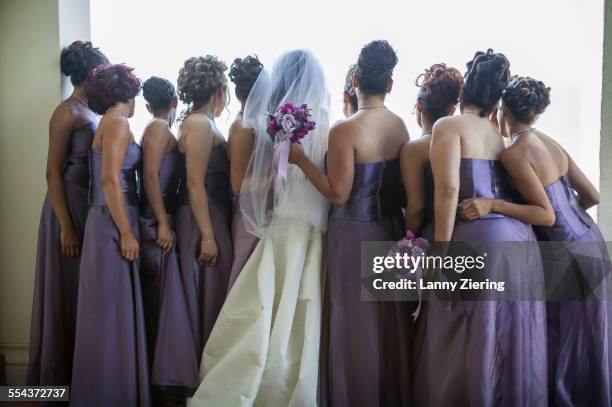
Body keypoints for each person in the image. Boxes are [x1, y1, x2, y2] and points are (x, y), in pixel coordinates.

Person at [188, 49, 330, 407]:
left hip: (297, 224)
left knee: (272, 306)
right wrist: (280, 170)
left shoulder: (292, 123)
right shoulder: (312, 124)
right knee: (282, 306)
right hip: (304, 223)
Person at [459, 76, 612, 406]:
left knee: (564, 342)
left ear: (503, 111)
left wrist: (493, 204)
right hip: (590, 240)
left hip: (567, 256)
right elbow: (591, 195)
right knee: (591, 341)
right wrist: (569, 226)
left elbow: (546, 216)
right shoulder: (550, 142)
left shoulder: (514, 154)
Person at [413, 50, 548, 407]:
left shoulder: (447, 126)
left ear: (464, 92)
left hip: (477, 240)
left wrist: (439, 254)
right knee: (508, 336)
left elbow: (448, 190)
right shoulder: (500, 134)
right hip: (518, 240)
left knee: (461, 337)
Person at [290, 40, 412, 407]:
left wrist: (299, 160)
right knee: (385, 322)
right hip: (388, 228)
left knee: (352, 323)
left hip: (352, 233)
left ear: (355, 79)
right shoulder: (400, 127)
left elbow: (338, 193)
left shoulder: (344, 130)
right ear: (390, 85)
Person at [28, 40, 108, 386]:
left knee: (82, 293)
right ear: (91, 74)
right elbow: (51, 172)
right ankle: (55, 384)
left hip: (85, 207)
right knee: (64, 292)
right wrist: (66, 227)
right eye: (101, 75)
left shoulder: (92, 112)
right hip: (65, 211)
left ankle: (81, 377)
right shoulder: (67, 111)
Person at [71, 64, 149, 406]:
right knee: (108, 310)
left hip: (107, 217)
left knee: (109, 309)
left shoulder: (108, 122)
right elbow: (109, 180)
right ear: (127, 95)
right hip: (111, 220)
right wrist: (127, 232)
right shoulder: (117, 123)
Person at [174, 55, 233, 390]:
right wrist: (208, 236)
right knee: (204, 294)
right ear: (220, 90)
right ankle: (198, 380)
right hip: (202, 218)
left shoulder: (206, 123)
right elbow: (194, 181)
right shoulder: (198, 124)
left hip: (214, 215)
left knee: (214, 295)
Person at [138, 76, 192, 402]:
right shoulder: (158, 129)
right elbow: (148, 176)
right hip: (154, 222)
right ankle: (159, 387)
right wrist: (161, 222)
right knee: (159, 302)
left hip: (162, 219)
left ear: (147, 104)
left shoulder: (157, 128)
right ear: (174, 103)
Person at [400, 63, 463, 240]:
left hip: (431, 237)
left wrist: (406, 240)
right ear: (452, 110)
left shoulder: (414, 150)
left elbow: (417, 208)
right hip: (463, 234)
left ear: (419, 105)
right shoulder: (462, 143)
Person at [226, 55, 263, 289]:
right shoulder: (242, 127)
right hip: (248, 218)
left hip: (261, 214)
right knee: (243, 283)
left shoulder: (255, 124)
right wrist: (279, 178)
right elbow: (238, 186)